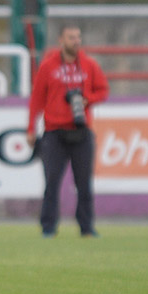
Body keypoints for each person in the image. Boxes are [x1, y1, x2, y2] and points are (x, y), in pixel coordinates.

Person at [26, 24, 109, 237]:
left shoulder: (89, 65)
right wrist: (31, 128)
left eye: (78, 37)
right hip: (54, 132)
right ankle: (48, 227)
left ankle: (86, 227)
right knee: (51, 183)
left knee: (84, 184)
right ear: (60, 40)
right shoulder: (48, 66)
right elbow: (37, 99)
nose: (76, 41)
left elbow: (103, 91)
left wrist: (87, 99)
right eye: (71, 37)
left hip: (81, 132)